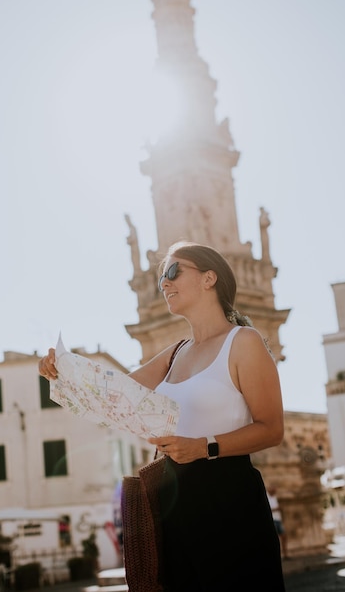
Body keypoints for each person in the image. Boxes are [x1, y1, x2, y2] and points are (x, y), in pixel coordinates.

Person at [39, 241, 286, 591]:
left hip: (228, 499)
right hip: (171, 504)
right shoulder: (174, 354)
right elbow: (112, 393)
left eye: (173, 272)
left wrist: (204, 447)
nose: (164, 284)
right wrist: (61, 370)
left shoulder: (243, 341)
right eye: (160, 279)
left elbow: (271, 429)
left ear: (209, 278)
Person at [267, 484, 289, 559]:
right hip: (272, 520)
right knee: (274, 539)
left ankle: (285, 554)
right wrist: (277, 509)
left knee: (284, 537)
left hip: (278, 520)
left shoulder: (274, 497)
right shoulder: (267, 497)